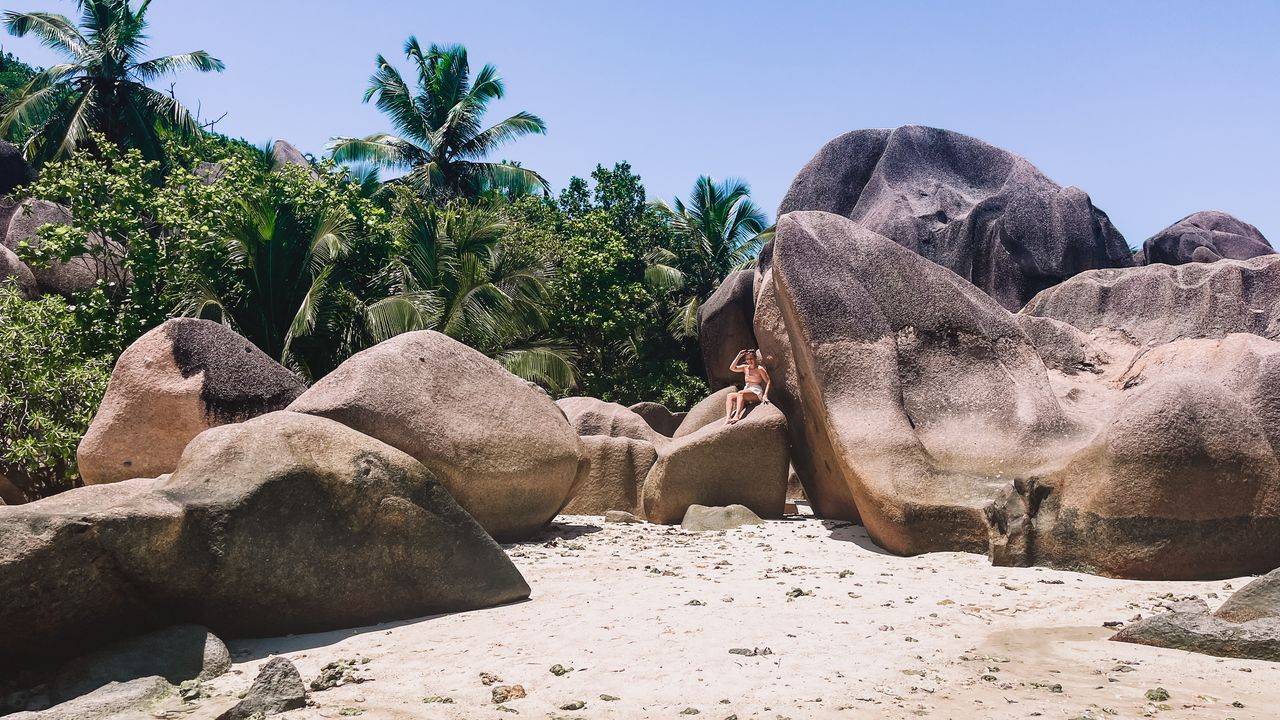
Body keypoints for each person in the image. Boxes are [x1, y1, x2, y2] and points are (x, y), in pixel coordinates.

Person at [725, 349, 771, 424]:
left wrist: (765, 395)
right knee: (730, 396)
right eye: (747, 359)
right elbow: (732, 368)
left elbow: (768, 381)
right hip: (746, 390)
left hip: (755, 391)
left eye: (751, 359)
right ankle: (728, 418)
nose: (749, 361)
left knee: (740, 393)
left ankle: (737, 416)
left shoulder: (760, 369)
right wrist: (739, 356)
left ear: (755, 358)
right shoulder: (745, 368)